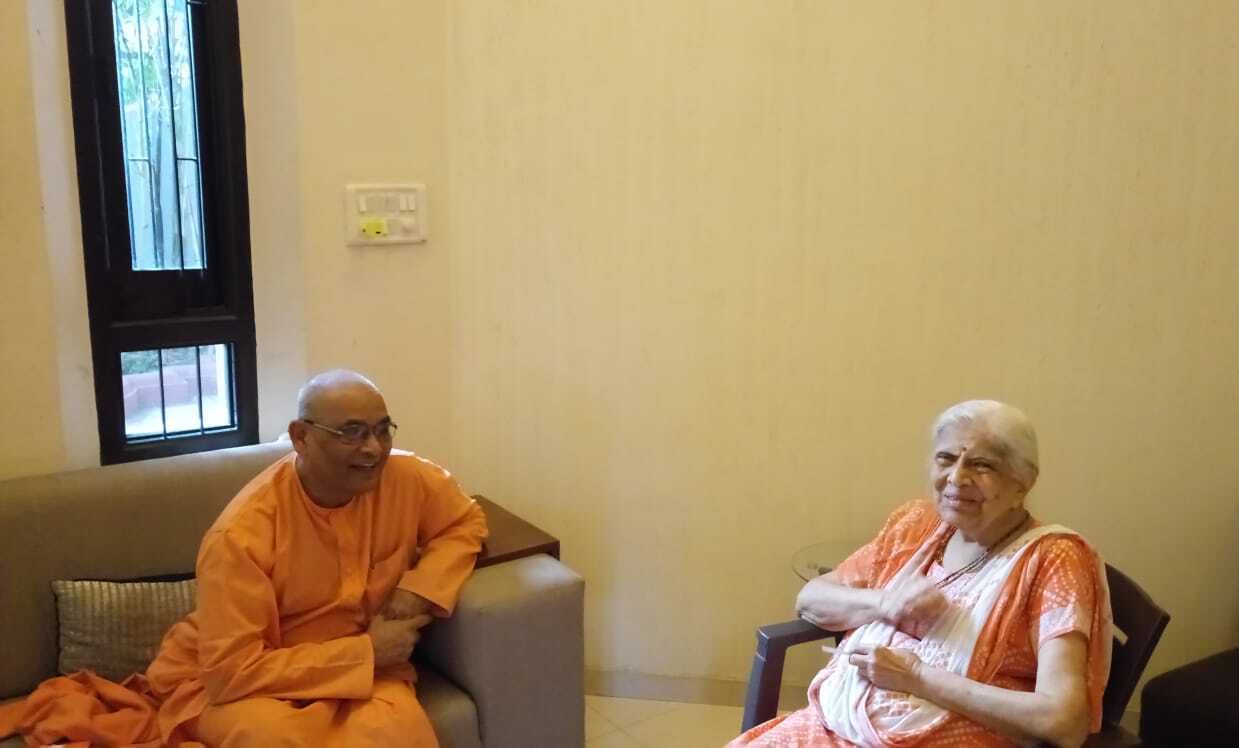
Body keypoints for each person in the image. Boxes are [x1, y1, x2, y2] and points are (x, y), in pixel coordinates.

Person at [729, 400, 1112, 748]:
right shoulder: (918, 524)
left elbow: (1062, 721)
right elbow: (811, 598)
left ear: (1023, 482)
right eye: (946, 459)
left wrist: (917, 677)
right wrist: (884, 603)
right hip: (831, 724)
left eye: (982, 465)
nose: (957, 478)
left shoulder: (1054, 559)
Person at [145, 369, 488, 746]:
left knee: (398, 733)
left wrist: (417, 590)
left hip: (365, 669)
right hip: (253, 681)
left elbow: (465, 522)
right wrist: (365, 653)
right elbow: (230, 673)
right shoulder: (240, 534)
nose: (373, 449)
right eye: (352, 433)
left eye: (382, 430)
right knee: (273, 738)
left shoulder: (406, 478)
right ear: (301, 437)